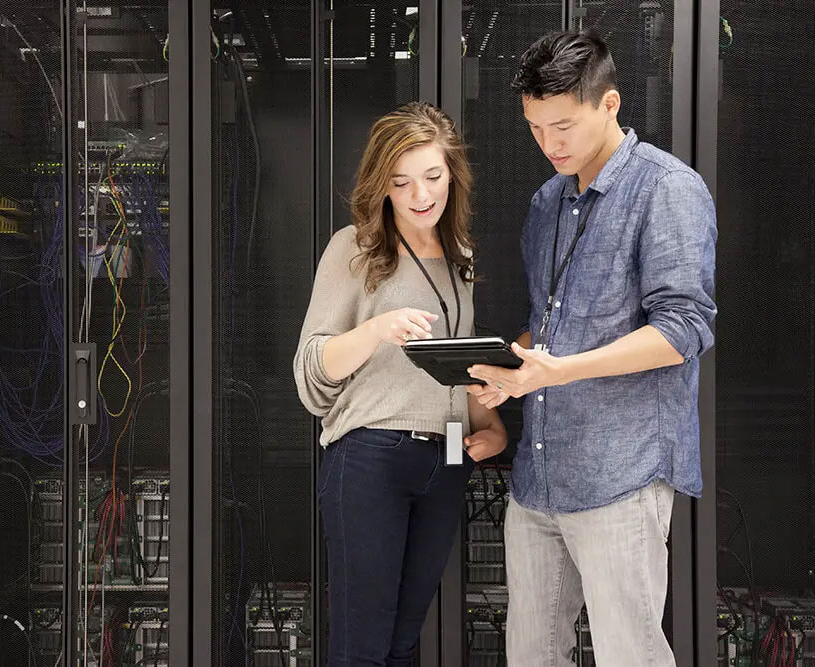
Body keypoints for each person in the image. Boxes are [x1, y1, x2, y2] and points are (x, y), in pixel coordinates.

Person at [465, 31, 717, 666]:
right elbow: (548, 324)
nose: (549, 144)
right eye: (535, 127)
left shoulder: (667, 189)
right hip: (537, 481)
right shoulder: (547, 202)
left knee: (630, 656)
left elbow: (684, 328)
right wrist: (510, 370)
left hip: (621, 476)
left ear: (610, 104)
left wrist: (560, 371)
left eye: (564, 125)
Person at [293, 101, 507, 666]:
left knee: (404, 644)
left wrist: (491, 427)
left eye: (433, 177)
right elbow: (311, 371)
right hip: (371, 456)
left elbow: (454, 375)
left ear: (452, 174)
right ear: (381, 185)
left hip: (449, 459)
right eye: (402, 181)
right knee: (361, 649)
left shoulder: (461, 257)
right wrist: (375, 331)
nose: (420, 195)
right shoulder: (354, 248)